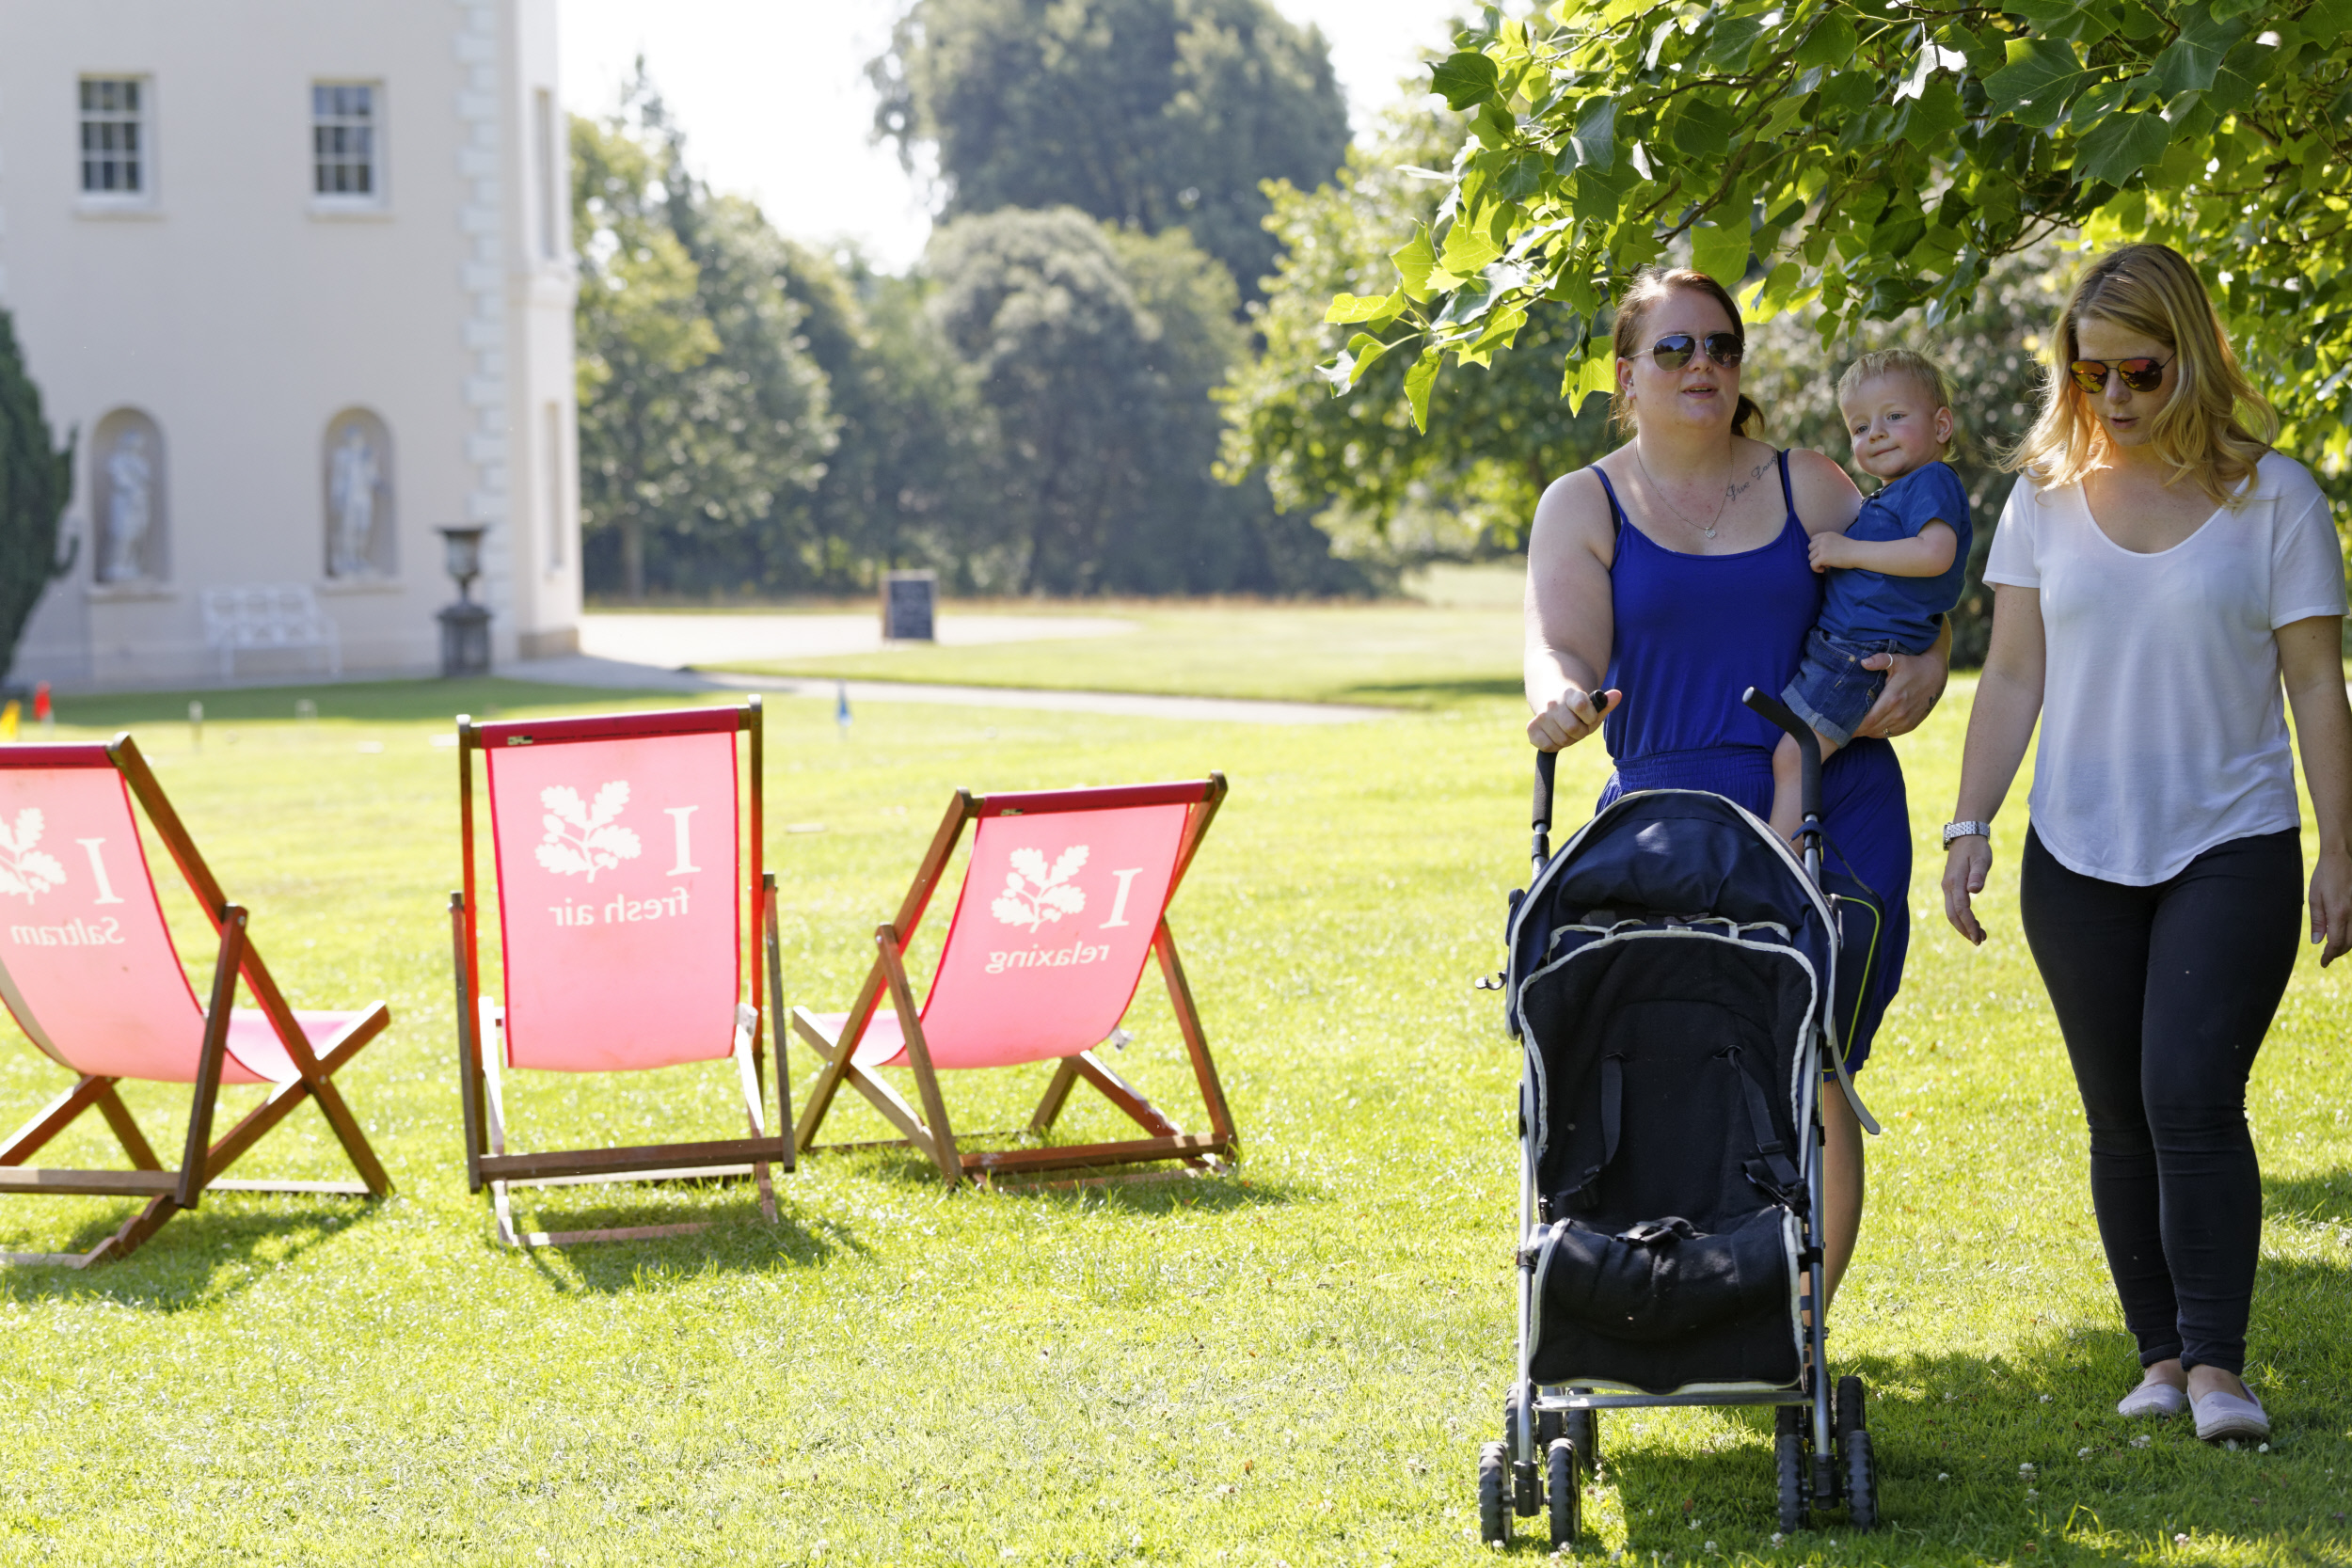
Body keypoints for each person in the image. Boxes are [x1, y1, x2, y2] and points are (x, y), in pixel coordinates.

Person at [1943, 243, 2352, 1444]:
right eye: (2090, 375)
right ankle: (2158, 1357)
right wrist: (1968, 822)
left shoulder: (2275, 499)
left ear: (2193, 358)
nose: (2113, 397)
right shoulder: (2041, 499)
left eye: (2140, 372)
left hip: (2231, 841)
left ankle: (2219, 1367)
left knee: (2188, 1090)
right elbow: (2010, 675)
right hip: (2074, 851)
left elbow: (2315, 687)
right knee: (2117, 1109)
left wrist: (2341, 848)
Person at [1524, 267, 1952, 1306]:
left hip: (1827, 799)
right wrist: (1558, 698)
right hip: (1665, 822)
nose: (1702, 365)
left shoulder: (1809, 482)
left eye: (1721, 346)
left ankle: (1798, 1335)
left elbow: (1923, 591)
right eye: (1674, 348)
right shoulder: (1583, 501)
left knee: (1815, 1058)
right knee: (1661, 1052)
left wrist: (1932, 666)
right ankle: (1671, 1293)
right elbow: (1559, 646)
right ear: (1627, 375)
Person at [1767, 351, 1971, 845]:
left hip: (1859, 655)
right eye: (1860, 427)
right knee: (1796, 753)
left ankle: (1777, 865)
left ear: (1942, 425)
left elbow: (1936, 553)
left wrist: (1848, 550)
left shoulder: (1932, 480)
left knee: (1795, 756)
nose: (1875, 434)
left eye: (1894, 416)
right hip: (1845, 650)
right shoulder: (1898, 493)